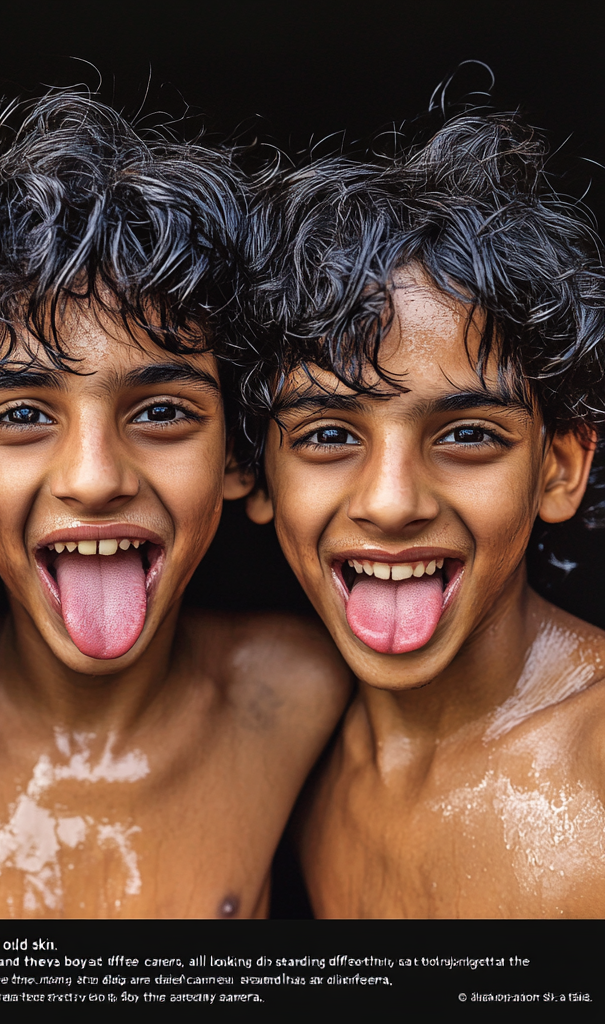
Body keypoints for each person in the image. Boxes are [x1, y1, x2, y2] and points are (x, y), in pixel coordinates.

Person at [0, 91, 351, 919]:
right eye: (24, 415)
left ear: (237, 456)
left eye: (160, 412)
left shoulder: (301, 691)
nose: (93, 478)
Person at [243, 112, 605, 917]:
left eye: (469, 435)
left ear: (561, 465)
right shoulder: (296, 771)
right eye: (329, 435)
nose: (391, 501)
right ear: (256, 474)